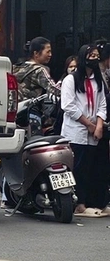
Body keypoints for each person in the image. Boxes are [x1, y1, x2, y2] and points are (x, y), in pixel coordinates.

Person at [60, 44, 107, 217]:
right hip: (76, 132)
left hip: (94, 132)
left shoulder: (97, 80)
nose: (94, 58)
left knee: (92, 168)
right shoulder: (71, 80)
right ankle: (78, 203)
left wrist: (99, 125)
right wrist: (88, 124)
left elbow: (102, 104)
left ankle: (92, 202)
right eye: (91, 55)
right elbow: (68, 106)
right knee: (78, 168)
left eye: (96, 55)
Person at [14, 37, 60, 101]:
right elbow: (54, 90)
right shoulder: (39, 70)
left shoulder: (15, 67)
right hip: (30, 108)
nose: (50, 55)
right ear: (36, 53)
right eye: (48, 52)